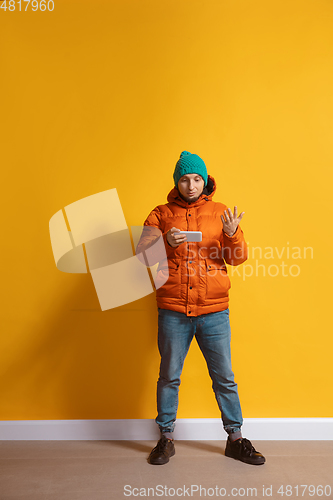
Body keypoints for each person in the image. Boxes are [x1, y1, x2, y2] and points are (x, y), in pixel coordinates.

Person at [136, 151, 265, 466]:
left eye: (196, 178)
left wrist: (232, 234)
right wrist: (167, 242)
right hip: (173, 311)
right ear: (176, 182)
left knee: (225, 377)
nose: (191, 185)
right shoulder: (160, 214)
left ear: (205, 180)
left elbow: (237, 258)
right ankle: (165, 439)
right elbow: (142, 256)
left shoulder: (221, 212)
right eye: (184, 178)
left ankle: (236, 439)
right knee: (169, 376)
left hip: (214, 311)